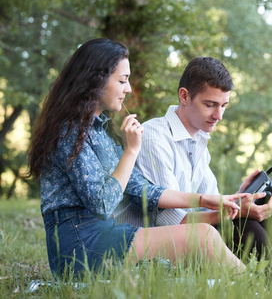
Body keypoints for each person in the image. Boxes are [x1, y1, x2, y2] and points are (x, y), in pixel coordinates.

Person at [27, 39, 259, 278]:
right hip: (79, 245)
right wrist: (131, 151)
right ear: (95, 80)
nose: (127, 88)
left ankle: (253, 287)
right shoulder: (70, 132)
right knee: (203, 236)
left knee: (205, 234)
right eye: (122, 80)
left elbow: (145, 192)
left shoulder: (100, 132)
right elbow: (102, 203)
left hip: (106, 233)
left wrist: (206, 199)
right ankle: (255, 290)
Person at [117, 56, 272, 281]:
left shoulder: (199, 140)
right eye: (210, 105)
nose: (219, 116)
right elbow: (174, 221)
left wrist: (238, 199)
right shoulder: (154, 137)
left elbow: (210, 204)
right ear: (184, 96)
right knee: (247, 227)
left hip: (192, 234)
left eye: (224, 106)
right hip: (154, 247)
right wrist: (237, 211)